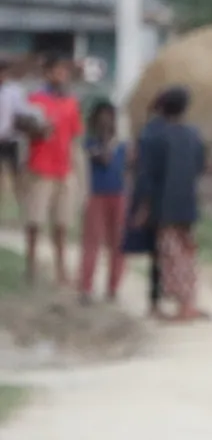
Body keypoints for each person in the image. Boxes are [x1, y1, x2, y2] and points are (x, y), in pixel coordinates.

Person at [132, 86, 208, 323]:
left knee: (169, 258)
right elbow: (200, 166)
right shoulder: (194, 134)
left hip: (163, 207)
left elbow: (146, 174)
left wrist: (143, 208)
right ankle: (189, 302)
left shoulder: (153, 136)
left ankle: (180, 305)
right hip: (187, 205)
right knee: (187, 255)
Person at [22, 55, 82, 285]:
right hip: (39, 167)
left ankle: (60, 268)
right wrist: (38, 129)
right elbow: (26, 130)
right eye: (57, 71)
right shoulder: (35, 99)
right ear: (47, 73)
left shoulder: (71, 102)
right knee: (34, 220)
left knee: (62, 223)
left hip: (63, 168)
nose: (62, 76)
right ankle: (31, 265)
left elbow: (75, 135)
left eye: (64, 71)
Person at [77, 101, 129, 304]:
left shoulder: (122, 144)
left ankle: (113, 287)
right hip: (96, 195)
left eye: (109, 116)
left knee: (118, 244)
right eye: (102, 116)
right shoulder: (89, 143)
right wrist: (108, 140)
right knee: (92, 242)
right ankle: (86, 287)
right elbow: (104, 159)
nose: (105, 120)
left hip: (119, 195)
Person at [124, 93, 170, 317]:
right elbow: (145, 171)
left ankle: (156, 301)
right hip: (160, 201)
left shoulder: (149, 132)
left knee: (157, 254)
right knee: (160, 253)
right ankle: (157, 301)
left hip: (153, 199)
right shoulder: (158, 133)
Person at [0, 59, 28, 224]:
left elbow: (21, 112)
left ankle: (22, 212)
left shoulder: (13, 92)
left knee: (17, 176)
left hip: (10, 139)